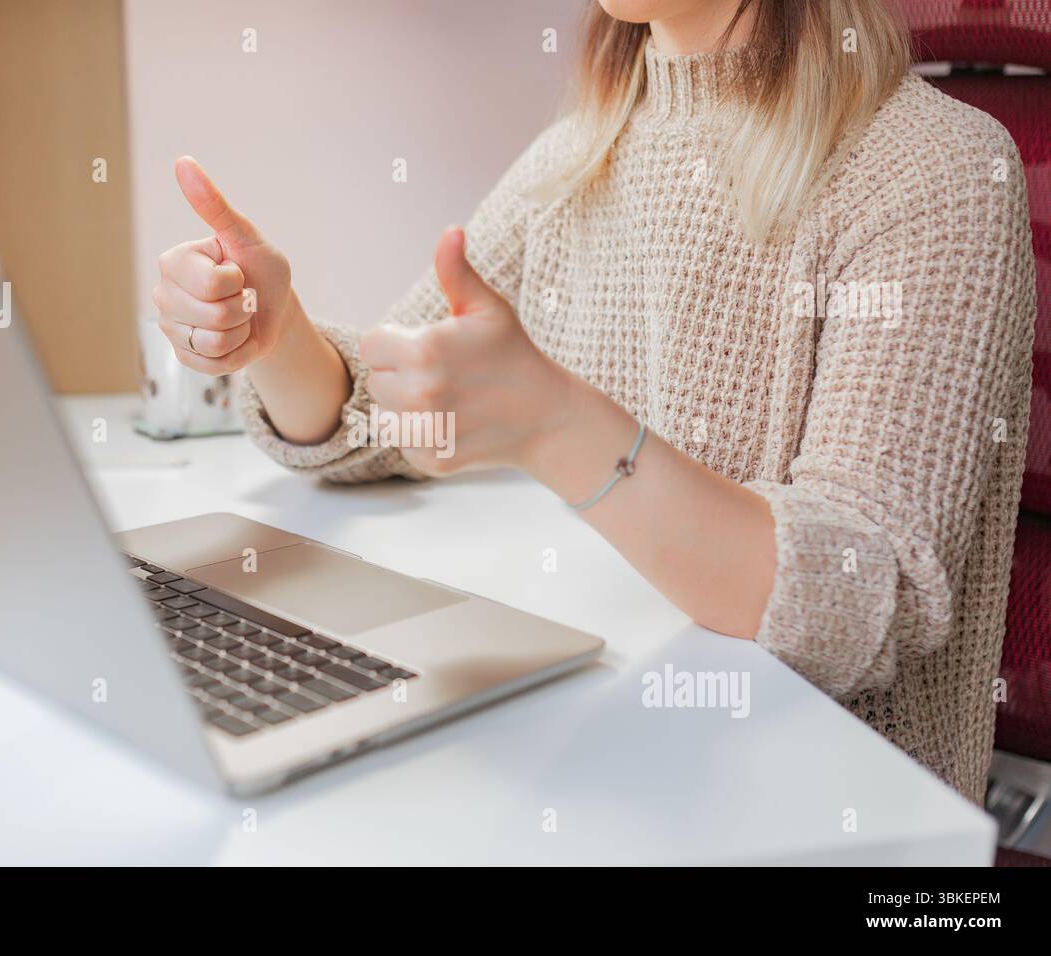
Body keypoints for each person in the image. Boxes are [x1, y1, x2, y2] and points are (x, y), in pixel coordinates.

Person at [152, 0, 1037, 803]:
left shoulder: (937, 171)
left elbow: (854, 603)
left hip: (823, 806)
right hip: (611, 752)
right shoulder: (579, 156)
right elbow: (378, 418)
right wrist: (274, 340)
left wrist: (557, 426)